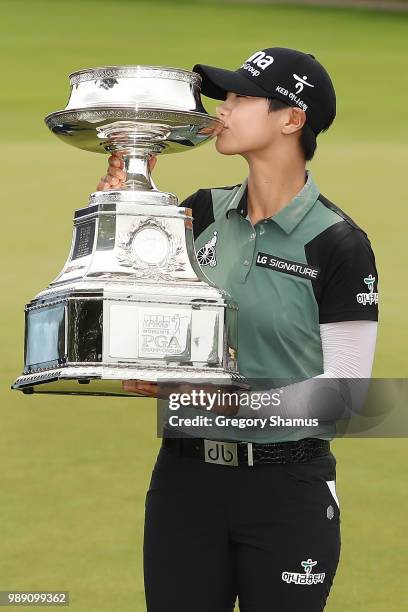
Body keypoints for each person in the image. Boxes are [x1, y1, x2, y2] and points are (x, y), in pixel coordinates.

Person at [97, 47, 379, 612]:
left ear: (291, 119)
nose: (222, 111)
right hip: (185, 484)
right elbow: (131, 300)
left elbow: (346, 399)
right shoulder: (197, 214)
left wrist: (215, 402)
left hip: (287, 492)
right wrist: (118, 201)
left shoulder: (339, 244)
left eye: (241, 97)